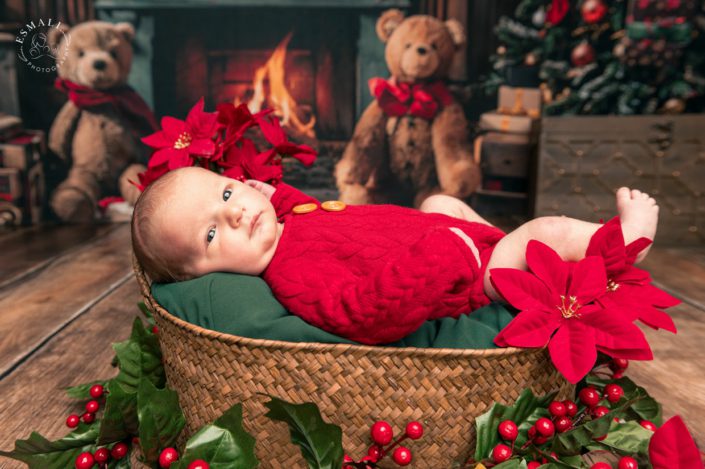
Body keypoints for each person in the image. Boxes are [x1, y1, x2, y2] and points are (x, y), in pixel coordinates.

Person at [132, 167, 659, 344]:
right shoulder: (293, 279)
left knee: (439, 199)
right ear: (203, 275)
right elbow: (367, 313)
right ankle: (622, 245)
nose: (234, 215)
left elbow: (307, 211)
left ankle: (491, 234)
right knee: (542, 230)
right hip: (465, 281)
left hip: (452, 236)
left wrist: (272, 195)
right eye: (209, 236)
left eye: (227, 194)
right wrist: (444, 255)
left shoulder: (285, 222)